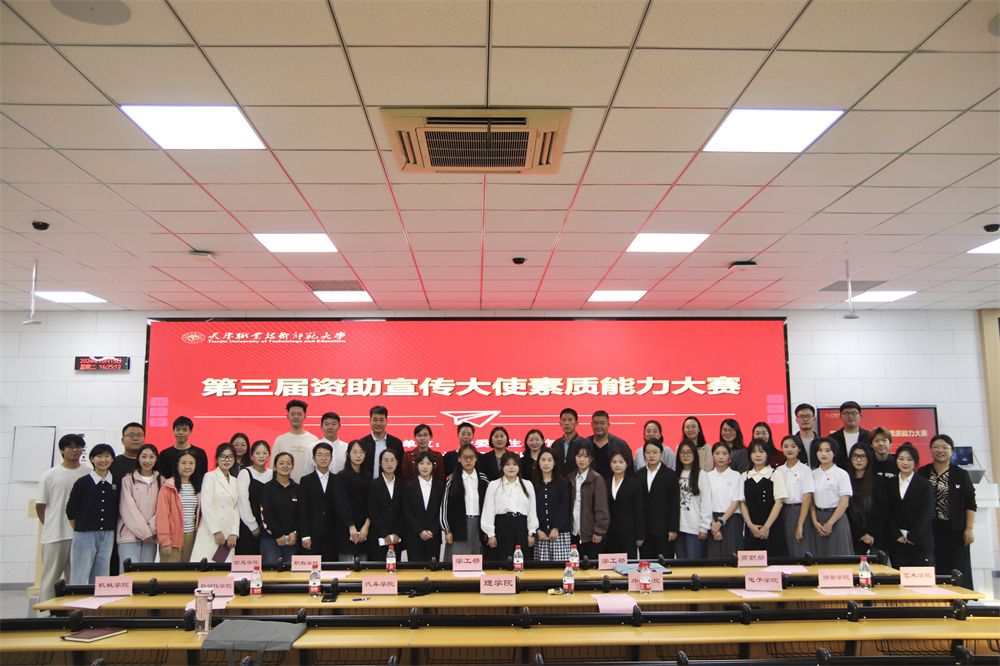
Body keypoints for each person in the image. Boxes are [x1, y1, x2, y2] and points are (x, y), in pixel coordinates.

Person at [918, 434, 976, 589]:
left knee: (958, 565)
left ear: (952, 451)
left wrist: (969, 528)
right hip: (930, 530)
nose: (940, 450)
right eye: (936, 447)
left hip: (955, 529)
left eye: (945, 447)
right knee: (934, 565)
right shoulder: (922, 473)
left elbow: (970, 503)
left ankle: (960, 597)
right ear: (930, 450)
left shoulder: (961, 474)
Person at [36, 434, 90, 602]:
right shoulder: (50, 475)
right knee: (50, 577)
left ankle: (73, 611)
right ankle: (45, 612)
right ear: (61, 450)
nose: (75, 450)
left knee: (77, 578)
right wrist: (50, 525)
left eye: (78, 447)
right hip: (56, 535)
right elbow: (40, 505)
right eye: (70, 447)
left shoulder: (89, 472)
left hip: (81, 535)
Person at [66, 443, 119, 585]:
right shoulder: (82, 482)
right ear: (92, 459)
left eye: (107, 456)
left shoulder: (116, 482)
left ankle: (97, 600)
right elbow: (71, 509)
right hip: (85, 534)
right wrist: (80, 529)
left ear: (112, 459)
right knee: (80, 572)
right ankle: (76, 599)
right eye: (99, 456)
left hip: (108, 534)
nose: (103, 460)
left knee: (102, 574)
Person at [482, 451, 538, 561]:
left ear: (519, 467)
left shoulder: (527, 485)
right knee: (501, 561)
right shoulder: (494, 485)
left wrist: (531, 532)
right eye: (507, 464)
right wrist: (490, 534)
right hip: (501, 526)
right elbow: (488, 510)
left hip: (521, 527)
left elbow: (532, 510)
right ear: (502, 466)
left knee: (521, 562)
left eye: (514, 464)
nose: (511, 467)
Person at [888, 443, 935, 567]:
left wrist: (913, 536)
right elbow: (887, 512)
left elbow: (927, 513)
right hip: (898, 543)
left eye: (909, 459)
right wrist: (897, 534)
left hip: (920, 542)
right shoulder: (890, 483)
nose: (905, 463)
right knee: (899, 577)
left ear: (915, 462)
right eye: (901, 459)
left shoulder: (925, 485)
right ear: (896, 461)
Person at [190, 443, 239, 563]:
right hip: (211, 531)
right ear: (217, 459)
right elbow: (206, 505)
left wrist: (234, 533)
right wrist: (216, 531)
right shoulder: (210, 476)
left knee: (222, 567)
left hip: (228, 533)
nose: (227, 460)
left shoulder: (235, 480)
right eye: (223, 456)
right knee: (205, 565)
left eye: (230, 457)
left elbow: (237, 508)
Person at [738, 439, 788, 555]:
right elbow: (742, 503)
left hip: (772, 526)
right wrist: (750, 526)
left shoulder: (775, 474)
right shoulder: (745, 476)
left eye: (761, 451)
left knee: (773, 560)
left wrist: (766, 527)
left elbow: (779, 502)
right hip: (751, 528)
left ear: (767, 454)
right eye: (754, 452)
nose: (758, 455)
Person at [116, 444, 161, 570]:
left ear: (156, 459)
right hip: (129, 536)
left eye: (151, 457)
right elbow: (127, 508)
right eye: (144, 456)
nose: (147, 460)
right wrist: (144, 532)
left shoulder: (162, 481)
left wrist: (151, 531)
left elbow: (162, 510)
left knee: (146, 574)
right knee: (128, 574)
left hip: (151, 537)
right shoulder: (127, 480)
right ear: (138, 458)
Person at [441, 443, 489, 559]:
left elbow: (490, 506)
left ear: (476, 458)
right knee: (459, 562)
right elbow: (445, 506)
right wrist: (447, 530)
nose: (468, 460)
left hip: (480, 526)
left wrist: (489, 530)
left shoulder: (483, 479)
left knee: (478, 561)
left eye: (471, 457)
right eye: (465, 457)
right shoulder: (452, 479)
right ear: (459, 459)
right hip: (458, 526)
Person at [299, 441, 345, 562]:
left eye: (327, 455)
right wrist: (305, 535)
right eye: (319, 455)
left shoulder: (337, 479)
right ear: (313, 458)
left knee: (331, 569)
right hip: (312, 535)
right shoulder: (306, 481)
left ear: (331, 458)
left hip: (333, 535)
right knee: (312, 569)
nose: (323, 458)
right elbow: (303, 509)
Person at [810, 438, 854, 556]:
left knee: (839, 554)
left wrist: (830, 523)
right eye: (820, 450)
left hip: (837, 518)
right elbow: (810, 501)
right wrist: (815, 522)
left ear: (834, 453)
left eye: (828, 450)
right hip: (818, 519)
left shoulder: (841, 474)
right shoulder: (812, 474)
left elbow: (844, 502)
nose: (823, 454)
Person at [774, 435, 815, 559]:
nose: (789, 449)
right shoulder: (778, 470)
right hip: (782, 511)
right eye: (786, 446)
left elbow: (807, 497)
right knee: (786, 549)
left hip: (800, 511)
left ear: (799, 449)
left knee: (800, 547)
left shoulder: (805, 470)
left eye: (793, 446)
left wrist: (800, 524)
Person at [156, 449, 201, 563]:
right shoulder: (168, 487)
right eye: (183, 463)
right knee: (171, 572)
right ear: (177, 464)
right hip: (172, 538)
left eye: (191, 463)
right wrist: (165, 541)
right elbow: (162, 516)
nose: (187, 466)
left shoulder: (197, 487)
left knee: (187, 572)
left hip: (191, 536)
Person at [638, 440, 679, 560]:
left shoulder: (670, 475)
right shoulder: (639, 474)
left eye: (655, 452)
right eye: (648, 452)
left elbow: (674, 504)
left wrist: (673, 529)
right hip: (645, 530)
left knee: (664, 562)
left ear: (661, 454)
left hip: (664, 530)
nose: (651, 455)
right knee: (647, 563)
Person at [846, 442, 888, 557]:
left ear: (869, 458)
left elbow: (882, 510)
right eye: (855, 456)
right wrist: (859, 534)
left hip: (875, 537)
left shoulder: (878, 481)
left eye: (863, 456)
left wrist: (871, 533)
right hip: (852, 535)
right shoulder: (845, 479)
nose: (858, 460)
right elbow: (846, 510)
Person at [403, 451, 446, 562]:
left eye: (428, 463)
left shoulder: (440, 486)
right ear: (417, 466)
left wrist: (432, 530)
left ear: (433, 465)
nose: (425, 467)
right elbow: (407, 511)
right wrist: (420, 531)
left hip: (433, 537)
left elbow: (442, 511)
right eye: (421, 463)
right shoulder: (409, 486)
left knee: (433, 569)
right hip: (414, 537)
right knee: (415, 570)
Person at [260, 452, 300, 565]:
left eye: (288, 463)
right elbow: (265, 513)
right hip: (270, 539)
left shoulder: (298, 488)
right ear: (275, 466)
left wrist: (295, 532)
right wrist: (277, 534)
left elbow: (301, 514)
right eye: (281, 463)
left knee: (291, 571)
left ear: (292, 466)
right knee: (271, 569)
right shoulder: (267, 488)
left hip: (292, 539)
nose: (285, 466)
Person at [532, 449, 572, 562]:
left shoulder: (563, 483)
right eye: (543, 460)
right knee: (543, 569)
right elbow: (531, 509)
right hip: (541, 534)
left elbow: (565, 507)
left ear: (554, 463)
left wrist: (556, 528)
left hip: (560, 533)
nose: (546, 463)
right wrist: (537, 530)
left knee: (561, 568)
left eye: (549, 460)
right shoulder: (533, 483)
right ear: (538, 462)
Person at [674, 440, 711, 560]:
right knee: (681, 565)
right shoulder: (674, 475)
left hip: (695, 529)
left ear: (695, 454)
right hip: (677, 529)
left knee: (694, 565)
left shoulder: (701, 474)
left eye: (689, 452)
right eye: (682, 452)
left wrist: (704, 527)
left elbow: (706, 503)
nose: (686, 455)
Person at [705, 443, 744, 559]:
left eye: (724, 453)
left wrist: (721, 522)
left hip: (732, 519)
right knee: (714, 558)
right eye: (717, 453)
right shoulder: (707, 476)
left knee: (733, 556)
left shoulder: (736, 476)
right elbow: (705, 502)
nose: (720, 457)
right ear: (712, 456)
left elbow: (736, 501)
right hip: (711, 520)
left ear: (729, 457)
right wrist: (713, 524)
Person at [605, 450, 644, 558]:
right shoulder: (605, 482)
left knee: (628, 564)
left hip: (629, 533)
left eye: (621, 462)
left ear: (627, 464)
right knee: (611, 564)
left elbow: (639, 510)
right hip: (609, 533)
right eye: (614, 462)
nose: (617, 465)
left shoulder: (634, 484)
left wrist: (640, 535)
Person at [236, 440, 272, 555]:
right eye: (257, 453)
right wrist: (252, 525)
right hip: (248, 524)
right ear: (251, 455)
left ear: (269, 455)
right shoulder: (245, 473)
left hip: (268, 526)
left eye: (264, 453)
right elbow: (242, 501)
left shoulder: (272, 474)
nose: (261, 456)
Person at [337, 440, 371, 562]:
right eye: (355, 452)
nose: (358, 455)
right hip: (345, 528)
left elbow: (371, 504)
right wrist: (350, 526)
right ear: (348, 454)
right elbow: (341, 503)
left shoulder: (369, 477)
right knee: (346, 566)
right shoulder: (341, 476)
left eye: (361, 452)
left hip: (365, 529)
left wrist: (366, 526)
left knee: (364, 566)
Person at [368, 449, 404, 561]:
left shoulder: (403, 485)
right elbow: (373, 511)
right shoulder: (373, 484)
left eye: (392, 460)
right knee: (378, 568)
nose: (389, 464)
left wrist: (398, 533)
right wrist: (384, 534)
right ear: (380, 463)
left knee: (395, 568)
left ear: (397, 463)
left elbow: (404, 511)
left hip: (397, 538)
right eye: (386, 460)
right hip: (378, 536)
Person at [271, 399, 318, 483]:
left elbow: (317, 466)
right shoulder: (280, 440)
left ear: (305, 416)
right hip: (284, 486)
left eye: (299, 414)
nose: (296, 417)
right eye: (292, 414)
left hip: (308, 486)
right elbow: (273, 467)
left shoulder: (313, 439)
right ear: (287, 416)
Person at [359, 405, 404, 479]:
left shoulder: (396, 443)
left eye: (381, 420)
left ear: (387, 421)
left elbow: (400, 469)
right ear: (370, 421)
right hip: (367, 485)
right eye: (375, 420)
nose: (378, 423)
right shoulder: (362, 443)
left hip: (391, 484)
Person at [158, 416, 208, 481]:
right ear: (173, 431)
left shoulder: (200, 453)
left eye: (184, 430)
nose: (181, 433)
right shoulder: (164, 454)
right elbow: (161, 478)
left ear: (191, 431)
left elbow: (203, 478)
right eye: (178, 429)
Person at [825, 401, 869, 471]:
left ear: (860, 416)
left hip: (865, 475)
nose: (850, 416)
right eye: (846, 413)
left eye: (854, 413)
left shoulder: (869, 436)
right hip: (840, 475)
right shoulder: (832, 438)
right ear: (840, 417)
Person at [588, 411, 633, 479]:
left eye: (602, 423)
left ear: (608, 424)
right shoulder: (585, 444)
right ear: (591, 425)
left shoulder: (620, 445)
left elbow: (630, 471)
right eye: (596, 423)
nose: (599, 426)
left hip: (613, 484)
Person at [553, 408, 589, 475]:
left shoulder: (585, 443)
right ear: (560, 423)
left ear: (576, 423)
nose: (566, 423)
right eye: (564, 420)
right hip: (559, 480)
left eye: (570, 420)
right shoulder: (556, 444)